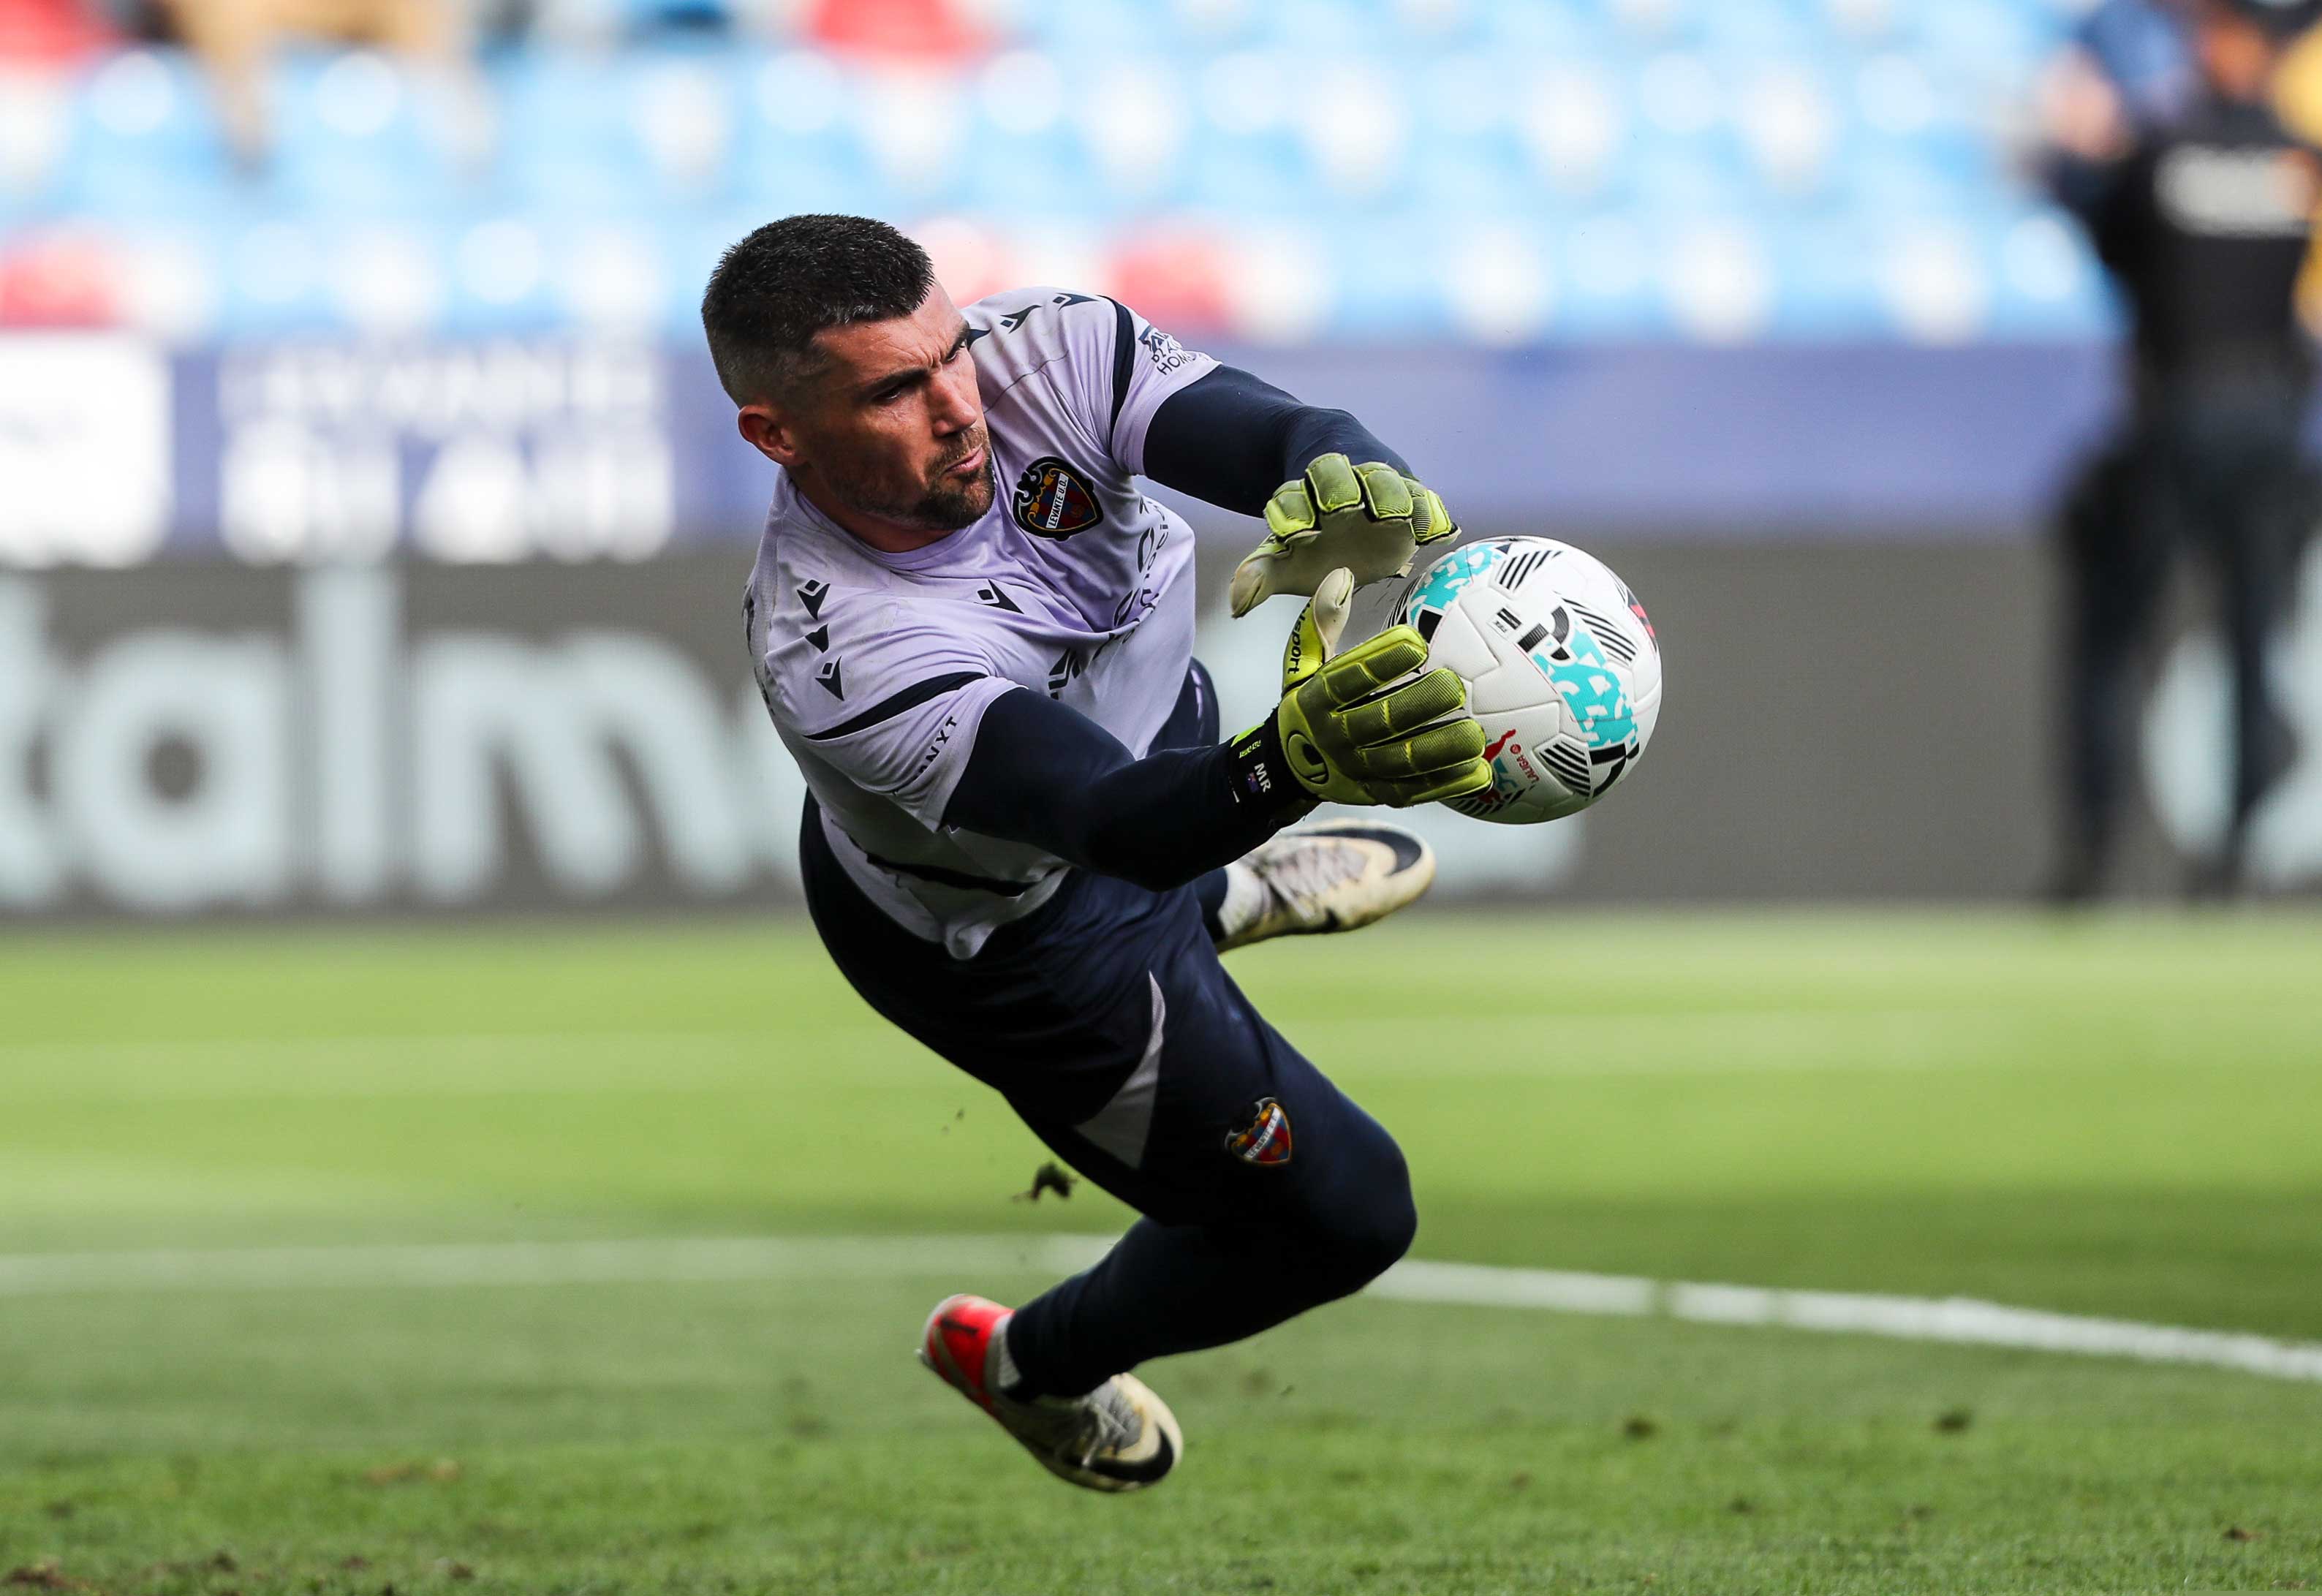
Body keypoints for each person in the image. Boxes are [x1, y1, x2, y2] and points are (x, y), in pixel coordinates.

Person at [702, 214, 1491, 1491]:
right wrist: (1296, 762)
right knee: (1349, 1213)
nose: (960, 405)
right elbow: (1120, 829)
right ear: (776, 433)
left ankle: (1217, 898)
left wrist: (1355, 478)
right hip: (1025, 938)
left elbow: (1290, 437)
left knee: (1184, 793)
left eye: (949, 351)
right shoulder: (841, 649)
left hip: (1153, 750)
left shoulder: (1049, 350)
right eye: (898, 389)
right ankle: (1030, 1362)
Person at [2046, 0, 2320, 899]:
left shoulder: (2162, 152)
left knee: (2114, 636)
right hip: (2271, 422)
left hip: (2175, 417)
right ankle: (2236, 855)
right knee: (2249, 644)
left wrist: (2068, 154)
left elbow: (2096, 223)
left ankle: (2093, 853)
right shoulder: (2296, 163)